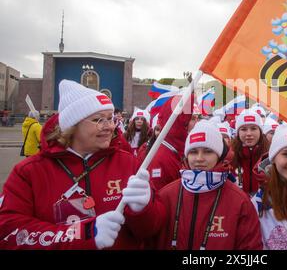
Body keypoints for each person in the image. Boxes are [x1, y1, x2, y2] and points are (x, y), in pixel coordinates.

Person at [0, 80, 165, 249]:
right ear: (72, 125)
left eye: (111, 119)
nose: (109, 127)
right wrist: (83, 234)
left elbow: (151, 230)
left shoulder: (128, 163)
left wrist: (143, 210)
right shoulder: (30, 172)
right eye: (98, 120)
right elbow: (9, 233)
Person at [155, 120, 263, 250]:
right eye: (193, 151)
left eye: (207, 151)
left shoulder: (240, 201)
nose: (199, 158)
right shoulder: (166, 195)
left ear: (218, 156)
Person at [146, 93, 199, 191]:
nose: (196, 123)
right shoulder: (161, 158)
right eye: (191, 119)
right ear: (178, 122)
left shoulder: (177, 149)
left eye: (197, 118)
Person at [232, 109, 269, 195]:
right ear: (238, 132)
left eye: (253, 128)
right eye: (244, 129)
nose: (249, 133)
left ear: (260, 131)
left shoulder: (270, 155)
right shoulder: (230, 156)